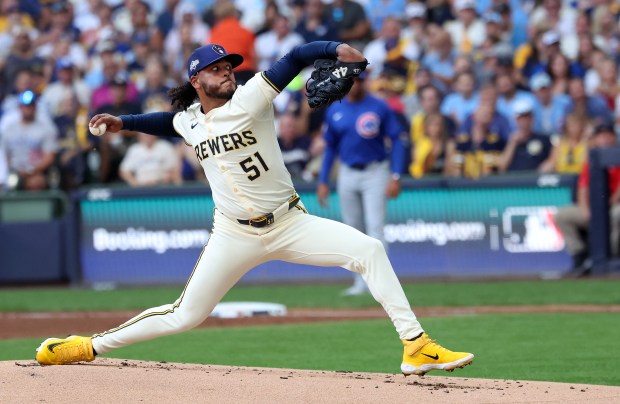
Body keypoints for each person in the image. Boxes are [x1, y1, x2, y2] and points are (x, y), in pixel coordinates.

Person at [35, 41, 474, 377]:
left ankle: (415, 345)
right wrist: (123, 123)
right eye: (217, 69)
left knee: (370, 250)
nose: (227, 73)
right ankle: (87, 346)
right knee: (185, 315)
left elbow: (296, 57)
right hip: (233, 234)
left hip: (289, 223)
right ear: (196, 81)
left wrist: (339, 52)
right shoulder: (189, 119)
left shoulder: (251, 99)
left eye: (229, 67)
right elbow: (166, 124)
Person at [316, 72, 406, 296]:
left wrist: (396, 175)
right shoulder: (335, 109)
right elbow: (330, 149)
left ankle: (383, 284)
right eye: (352, 80)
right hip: (347, 172)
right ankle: (360, 282)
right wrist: (323, 179)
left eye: (360, 79)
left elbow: (397, 140)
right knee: (353, 231)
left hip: (375, 170)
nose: (356, 84)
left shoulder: (379, 106)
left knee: (375, 229)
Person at [555, 123, 620, 278]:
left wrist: (609, 203)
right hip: (595, 209)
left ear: (614, 137)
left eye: (607, 134)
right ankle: (580, 256)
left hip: (613, 206)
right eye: (600, 135)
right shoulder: (591, 159)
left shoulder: (617, 155)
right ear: (595, 139)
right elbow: (583, 187)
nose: (604, 138)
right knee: (562, 214)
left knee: (618, 214)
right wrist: (585, 210)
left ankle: (612, 256)